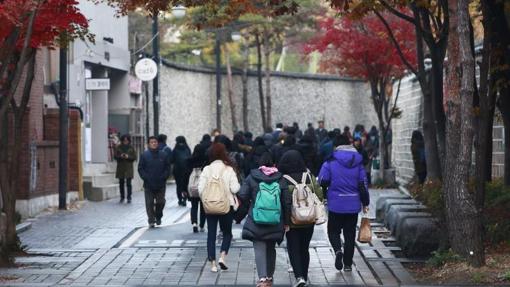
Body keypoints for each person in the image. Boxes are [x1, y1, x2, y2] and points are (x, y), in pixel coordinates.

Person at [239, 152, 291, 287]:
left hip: (256, 218)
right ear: (274, 164)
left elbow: (242, 195)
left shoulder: (252, 177)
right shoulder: (280, 179)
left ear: (260, 164)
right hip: (275, 219)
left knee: (259, 248)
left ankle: (262, 279)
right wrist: (286, 221)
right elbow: (286, 202)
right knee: (271, 248)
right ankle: (269, 276)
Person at [318, 135, 370, 272]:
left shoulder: (330, 161)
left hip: (335, 204)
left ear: (336, 146)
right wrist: (365, 202)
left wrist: (324, 194)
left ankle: (337, 251)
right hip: (353, 204)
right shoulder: (358, 162)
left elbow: (322, 180)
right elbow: (363, 184)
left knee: (333, 231)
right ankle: (347, 264)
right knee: (350, 234)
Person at [279, 150, 323, 287]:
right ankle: (304, 274)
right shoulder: (309, 177)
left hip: (291, 221)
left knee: (293, 248)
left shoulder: (283, 179)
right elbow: (320, 195)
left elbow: (281, 200)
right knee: (304, 248)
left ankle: (299, 277)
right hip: (308, 220)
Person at [198, 143, 240, 273]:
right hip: (226, 206)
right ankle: (222, 257)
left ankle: (213, 265)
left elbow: (200, 189)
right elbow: (235, 188)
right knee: (227, 233)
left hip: (210, 206)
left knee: (211, 235)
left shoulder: (206, 169)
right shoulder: (228, 169)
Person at [138, 136, 171, 228]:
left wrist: (164, 177)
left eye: (155, 142)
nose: (154, 143)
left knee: (161, 202)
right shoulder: (144, 155)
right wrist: (145, 177)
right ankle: (151, 220)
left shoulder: (163, 155)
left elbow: (168, 168)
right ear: (148, 144)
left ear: (158, 143)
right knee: (149, 203)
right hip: (148, 184)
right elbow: (140, 168)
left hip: (161, 183)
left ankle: (158, 215)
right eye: (152, 142)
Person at [188, 144, 208, 233]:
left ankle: (194, 223)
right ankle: (202, 225)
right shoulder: (207, 161)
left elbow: (185, 176)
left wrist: (184, 190)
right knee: (203, 207)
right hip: (203, 187)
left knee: (194, 206)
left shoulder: (190, 161)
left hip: (192, 188)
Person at [114, 135, 137, 203]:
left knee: (129, 183)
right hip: (120, 167)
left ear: (129, 141)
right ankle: (122, 197)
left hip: (129, 167)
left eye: (126, 140)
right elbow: (115, 157)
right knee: (121, 183)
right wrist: (120, 156)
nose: (125, 142)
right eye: (124, 140)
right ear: (122, 140)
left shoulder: (131, 148)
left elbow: (134, 157)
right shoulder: (118, 147)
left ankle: (129, 197)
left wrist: (128, 156)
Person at [172, 136, 191, 207]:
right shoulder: (187, 149)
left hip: (177, 170)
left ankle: (180, 199)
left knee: (179, 185)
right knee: (185, 185)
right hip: (186, 170)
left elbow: (172, 159)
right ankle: (184, 198)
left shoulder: (175, 149)